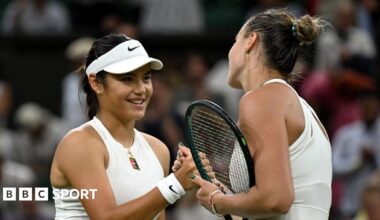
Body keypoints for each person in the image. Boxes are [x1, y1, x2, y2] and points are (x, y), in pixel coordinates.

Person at [173, 8, 332, 219]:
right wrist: (210, 185)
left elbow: (275, 200)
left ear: (250, 41)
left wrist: (217, 201)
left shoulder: (262, 99)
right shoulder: (298, 107)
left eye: (235, 42)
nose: (230, 52)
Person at [50, 33, 196, 219]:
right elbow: (105, 217)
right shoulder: (79, 143)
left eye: (146, 78)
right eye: (127, 79)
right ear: (96, 83)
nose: (141, 89)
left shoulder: (159, 150)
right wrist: (175, 184)